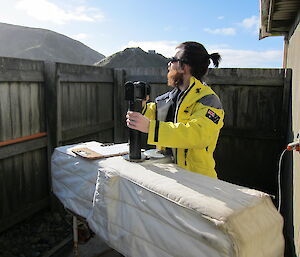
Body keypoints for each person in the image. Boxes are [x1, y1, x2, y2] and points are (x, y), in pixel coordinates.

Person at [126, 41, 224, 178]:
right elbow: (152, 113)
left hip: (199, 179)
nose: (169, 64)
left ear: (184, 66)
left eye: (172, 60)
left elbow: (196, 135)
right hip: (170, 176)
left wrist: (150, 127)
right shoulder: (167, 99)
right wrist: (140, 106)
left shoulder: (209, 101)